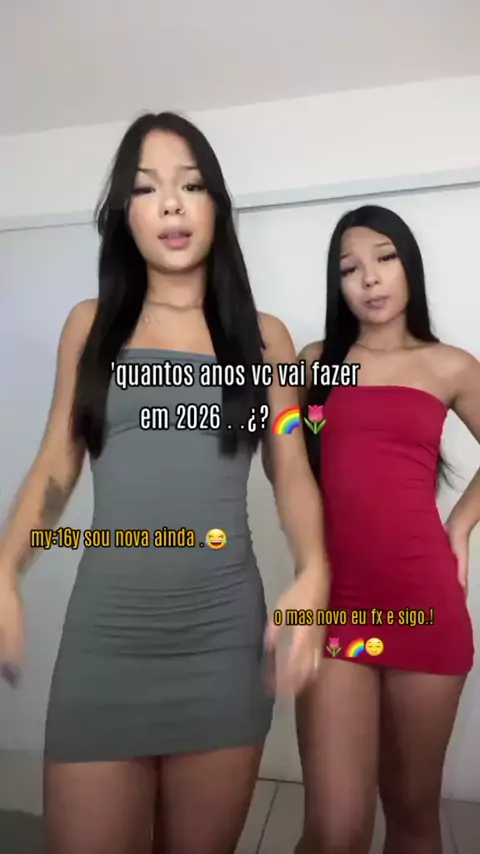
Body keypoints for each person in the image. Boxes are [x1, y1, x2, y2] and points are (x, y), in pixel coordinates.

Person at [0, 112, 330, 854]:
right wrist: (5, 568)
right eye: (147, 188)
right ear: (126, 213)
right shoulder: (92, 327)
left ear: (217, 205)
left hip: (222, 645)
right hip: (105, 641)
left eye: (192, 185)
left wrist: (314, 571)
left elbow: (291, 471)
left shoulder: (264, 339)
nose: (172, 204)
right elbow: (56, 465)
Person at [292, 204, 480, 854]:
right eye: (350, 268)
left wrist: (461, 525)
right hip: (335, 610)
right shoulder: (316, 364)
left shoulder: (449, 366)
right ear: (337, 284)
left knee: (412, 814)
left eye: (385, 258)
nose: (370, 278)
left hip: (423, 607)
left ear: (409, 267)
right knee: (334, 831)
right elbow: (287, 460)